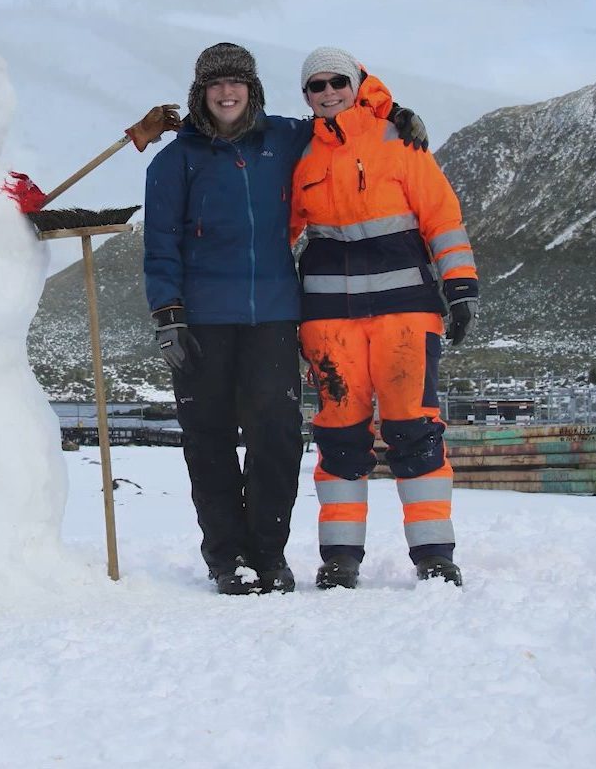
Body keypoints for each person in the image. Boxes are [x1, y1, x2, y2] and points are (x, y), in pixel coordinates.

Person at [143, 43, 427, 595]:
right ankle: (229, 558)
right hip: (200, 320)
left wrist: (391, 112)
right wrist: (167, 314)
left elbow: (341, 104)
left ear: (253, 90)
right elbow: (160, 245)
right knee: (209, 440)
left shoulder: (284, 138)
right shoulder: (175, 161)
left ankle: (268, 555)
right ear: (200, 93)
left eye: (237, 83)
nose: (227, 93)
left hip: (273, 314)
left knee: (276, 437)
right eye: (216, 85)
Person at [290, 46, 478, 590]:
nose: (327, 92)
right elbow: (284, 235)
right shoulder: (301, 155)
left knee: (413, 430)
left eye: (337, 82)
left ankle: (435, 555)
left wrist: (461, 286)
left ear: (356, 82)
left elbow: (441, 217)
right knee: (339, 436)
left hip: (405, 314)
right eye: (315, 86)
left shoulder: (400, 140)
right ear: (306, 96)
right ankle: (340, 559)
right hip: (329, 321)